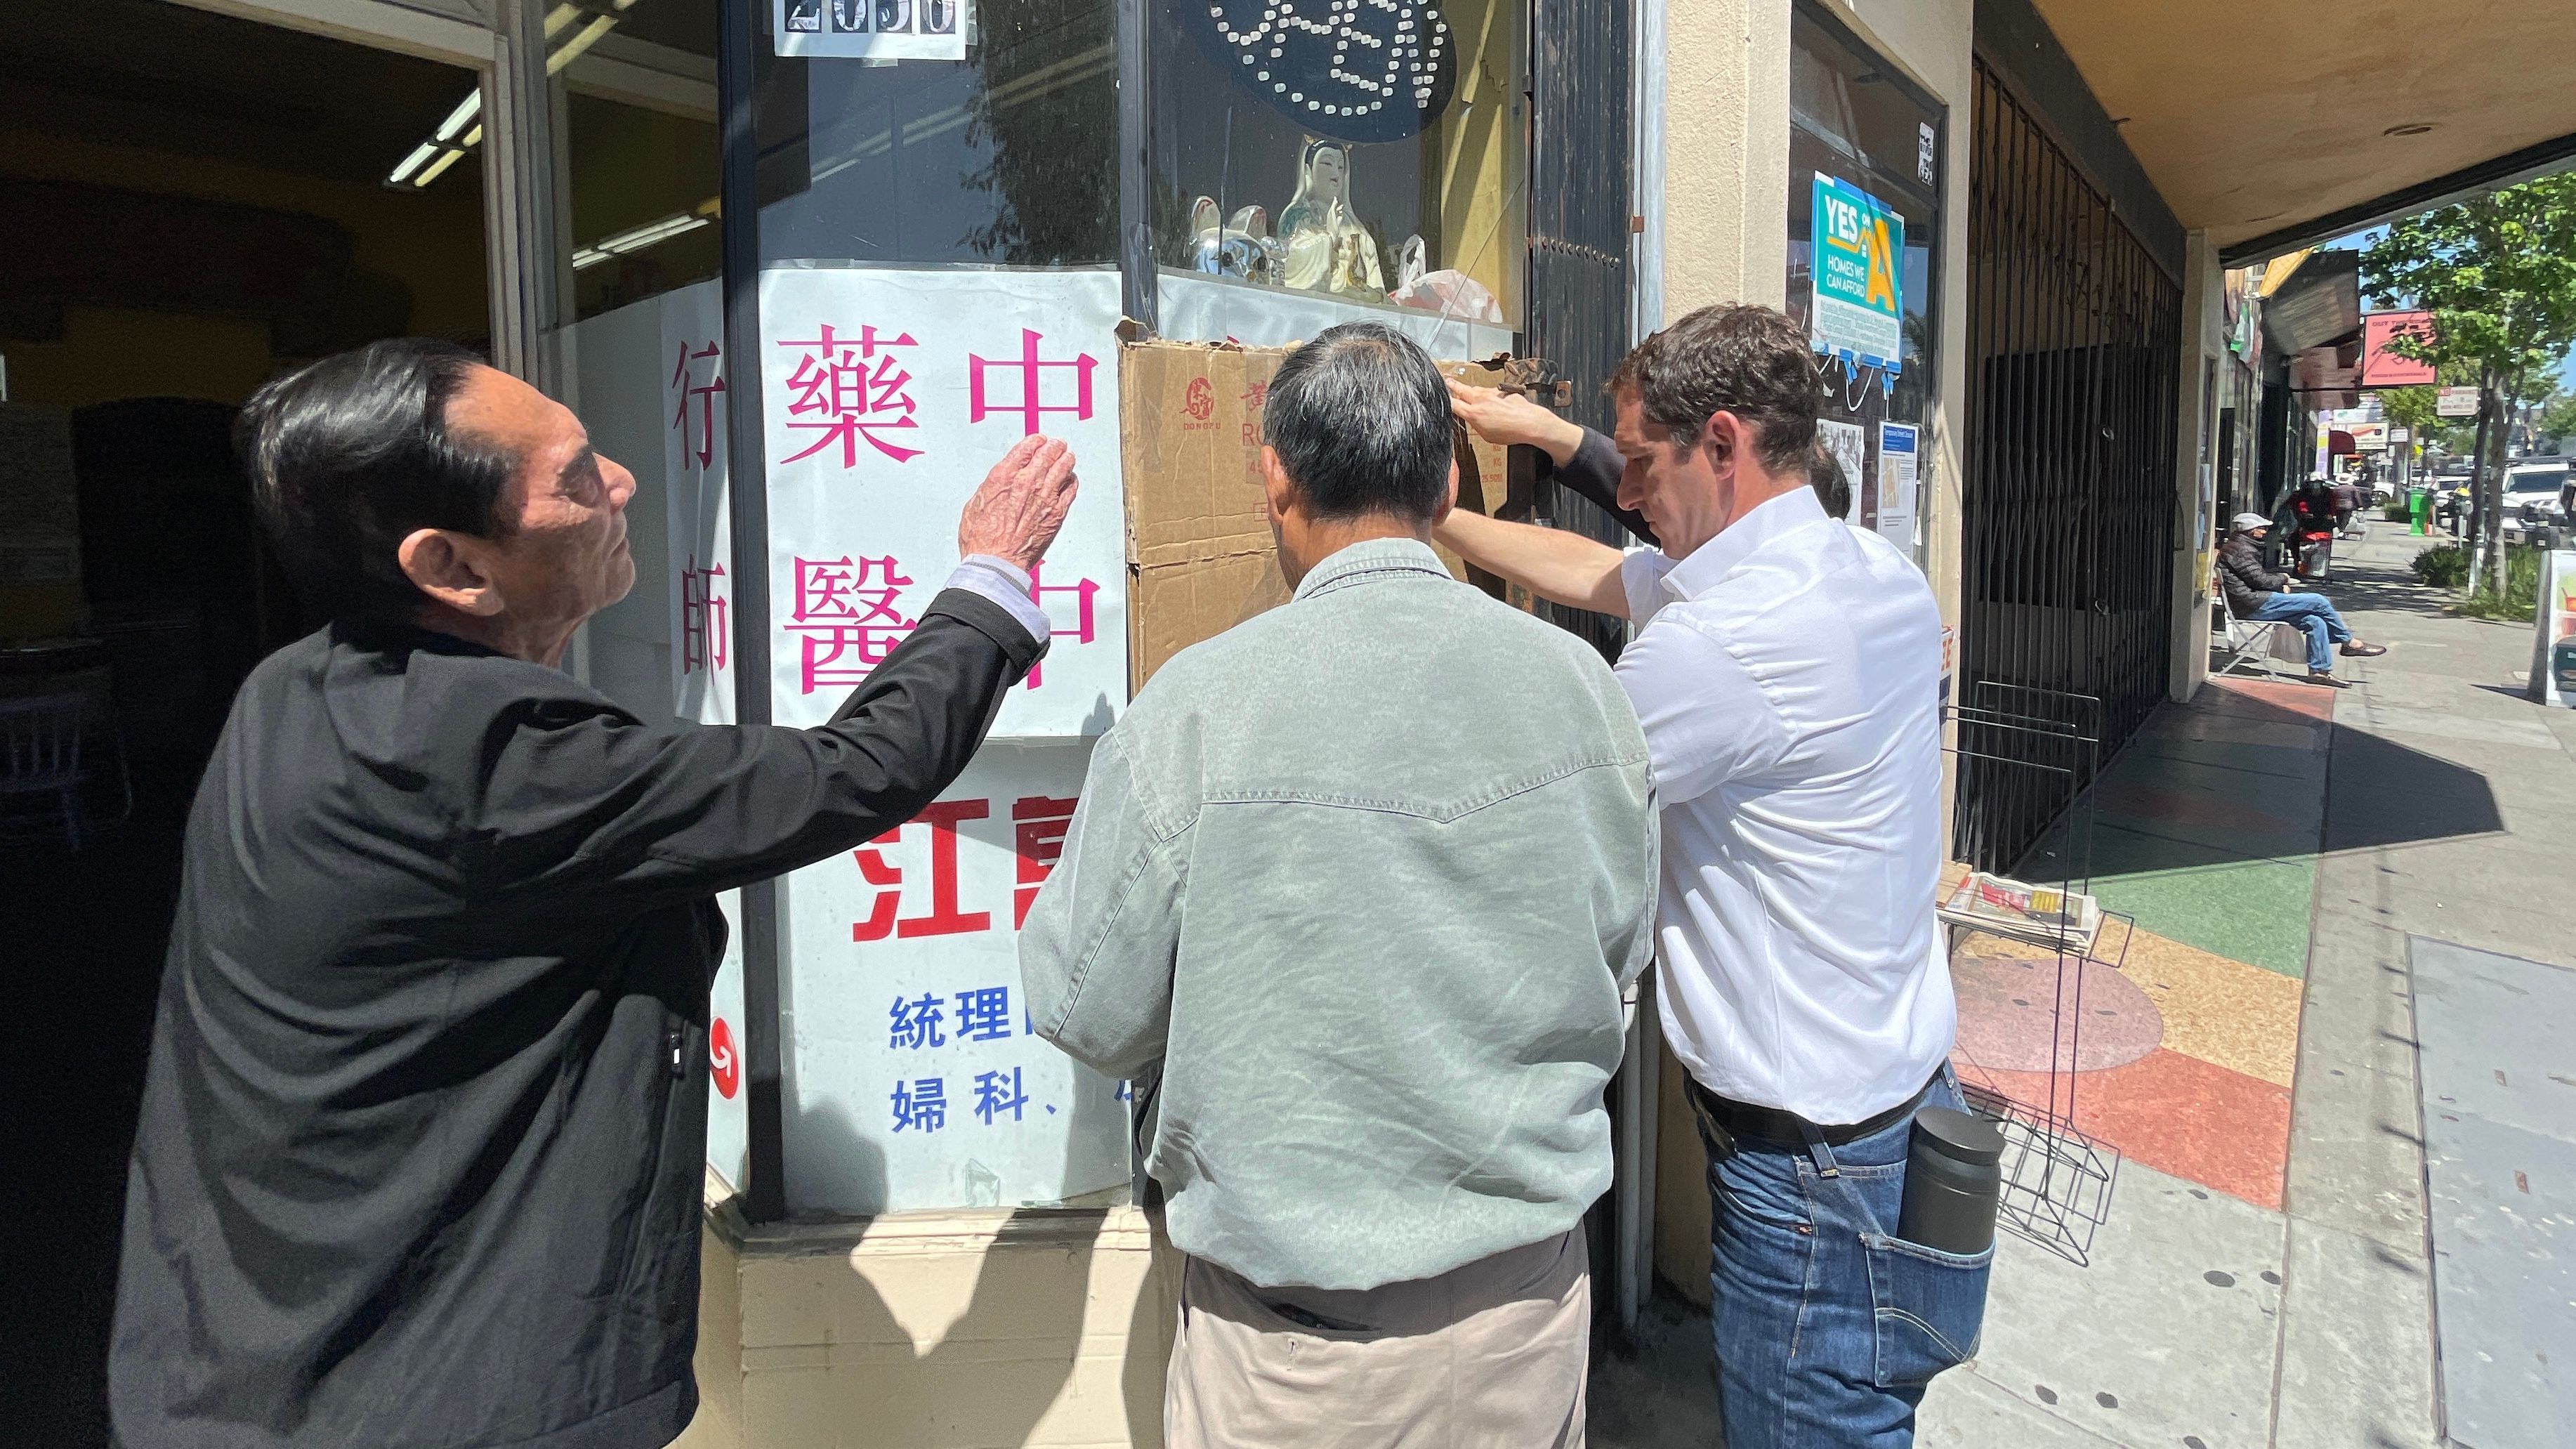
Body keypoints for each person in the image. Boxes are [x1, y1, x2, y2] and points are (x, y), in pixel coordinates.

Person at [110, 339, 1079, 1449]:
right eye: (574, 477)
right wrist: (991, 572)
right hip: (426, 1393)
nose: (621, 482)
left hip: (243, 1351)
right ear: (453, 566)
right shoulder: (482, 756)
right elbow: (852, 771)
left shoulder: (296, 689)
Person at [1019, 322, 1657, 1448]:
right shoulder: (1586, 689)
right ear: (1449, 477)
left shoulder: (1197, 708)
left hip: (1294, 1357)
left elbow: (1086, 1008)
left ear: (1275, 476)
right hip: (1532, 1319)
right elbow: (1620, 960)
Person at [1443, 303, 1978, 1449]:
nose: (1625, 491)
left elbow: (1534, 808)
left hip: (1812, 1183)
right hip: (1903, 1111)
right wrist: (1444, 513)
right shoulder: (1863, 567)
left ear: (1723, 442)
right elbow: (1603, 571)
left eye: (1638, 461)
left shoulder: (1728, 643)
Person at [2219, 511, 2384, 686]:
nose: (2265, 532)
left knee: (2315, 621)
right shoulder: (2241, 550)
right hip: (2251, 604)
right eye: (2262, 528)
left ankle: (2319, 672)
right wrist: (2284, 578)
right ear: (2251, 530)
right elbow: (2261, 580)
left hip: (2255, 600)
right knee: (2318, 601)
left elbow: (2257, 579)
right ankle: (2349, 642)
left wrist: (2277, 584)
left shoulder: (2243, 547)